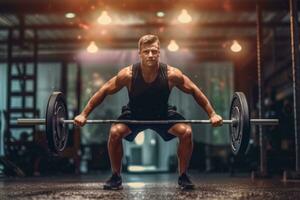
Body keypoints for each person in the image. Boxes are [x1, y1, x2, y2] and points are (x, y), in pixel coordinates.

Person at [74, 34, 223, 190]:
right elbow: (103, 90)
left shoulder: (172, 74)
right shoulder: (128, 75)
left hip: (162, 115)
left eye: (154, 51)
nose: (150, 55)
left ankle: (183, 175)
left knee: (186, 132)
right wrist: (84, 114)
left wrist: (212, 114)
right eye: (146, 52)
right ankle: (116, 176)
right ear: (140, 53)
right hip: (135, 115)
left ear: (159, 52)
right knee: (115, 132)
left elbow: (194, 90)